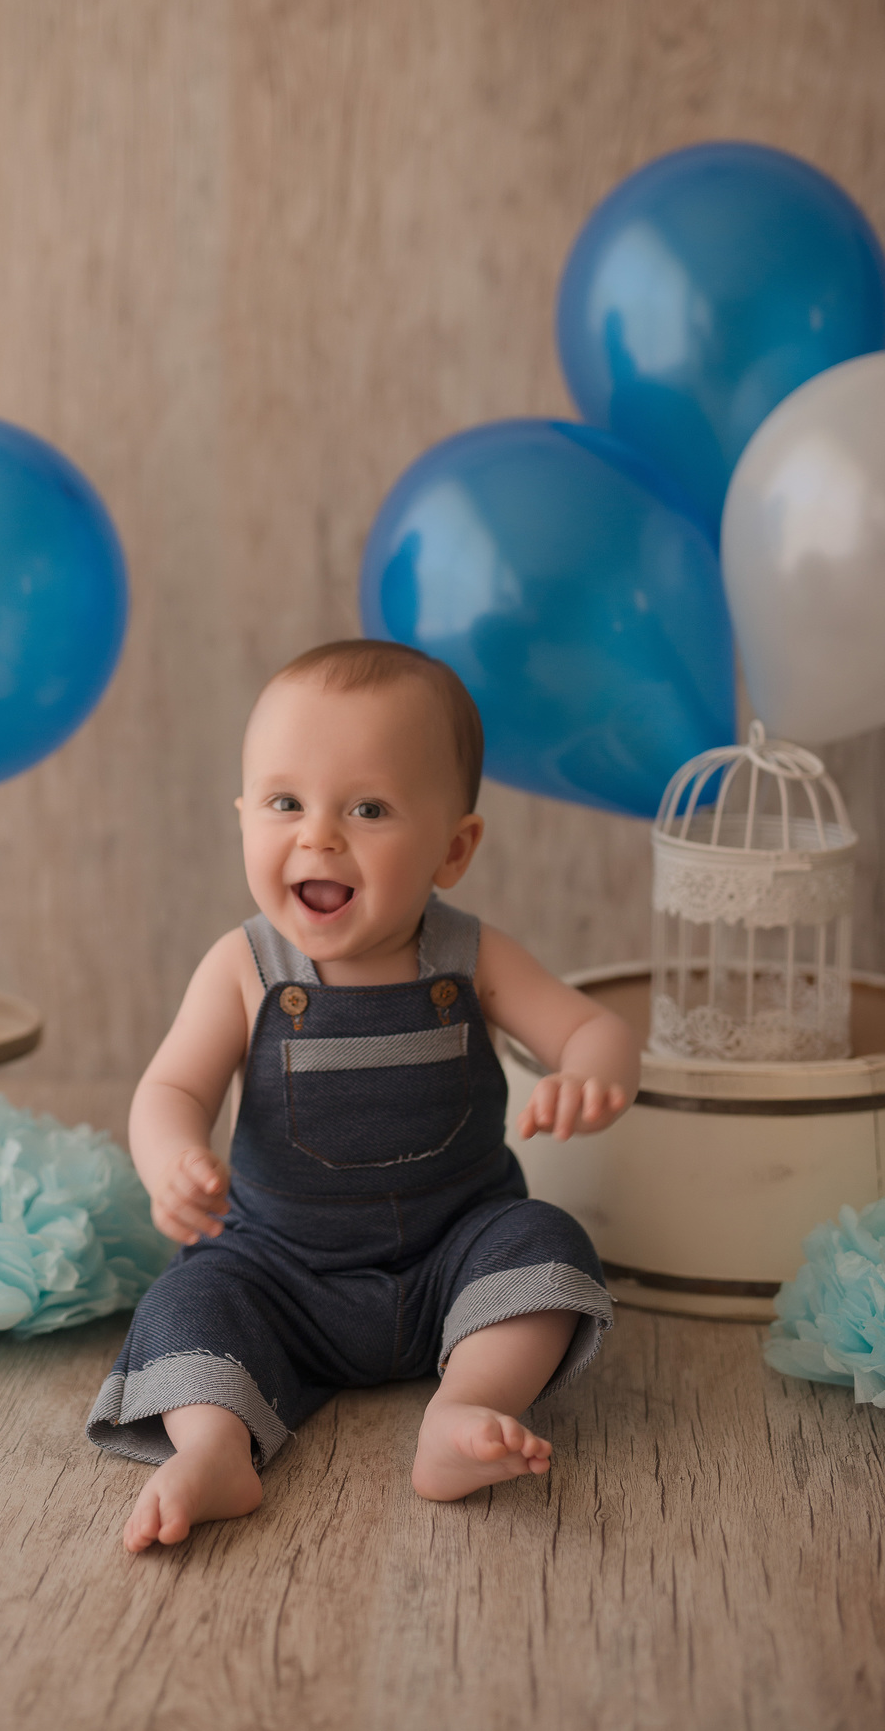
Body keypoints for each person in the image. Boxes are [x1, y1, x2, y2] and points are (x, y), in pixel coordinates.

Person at [88, 639, 640, 1553]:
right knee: (185, 1303)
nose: (318, 836)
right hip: (279, 1272)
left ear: (453, 848)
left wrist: (595, 1068)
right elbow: (171, 1086)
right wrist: (170, 1157)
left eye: (369, 808)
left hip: (454, 1255)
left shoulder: (471, 955)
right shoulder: (244, 967)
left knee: (547, 1245)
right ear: (243, 820)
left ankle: (466, 1408)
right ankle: (216, 1448)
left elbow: (590, 1028)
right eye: (284, 803)